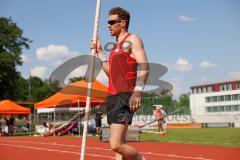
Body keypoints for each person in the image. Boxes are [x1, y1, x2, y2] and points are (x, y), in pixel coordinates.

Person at [91, 7, 149, 160]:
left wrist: (137, 91)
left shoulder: (132, 39)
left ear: (122, 23)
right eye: (107, 23)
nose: (108, 25)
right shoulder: (115, 47)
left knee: (115, 144)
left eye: (111, 22)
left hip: (125, 96)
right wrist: (100, 53)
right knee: (119, 148)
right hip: (112, 96)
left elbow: (144, 66)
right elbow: (111, 73)